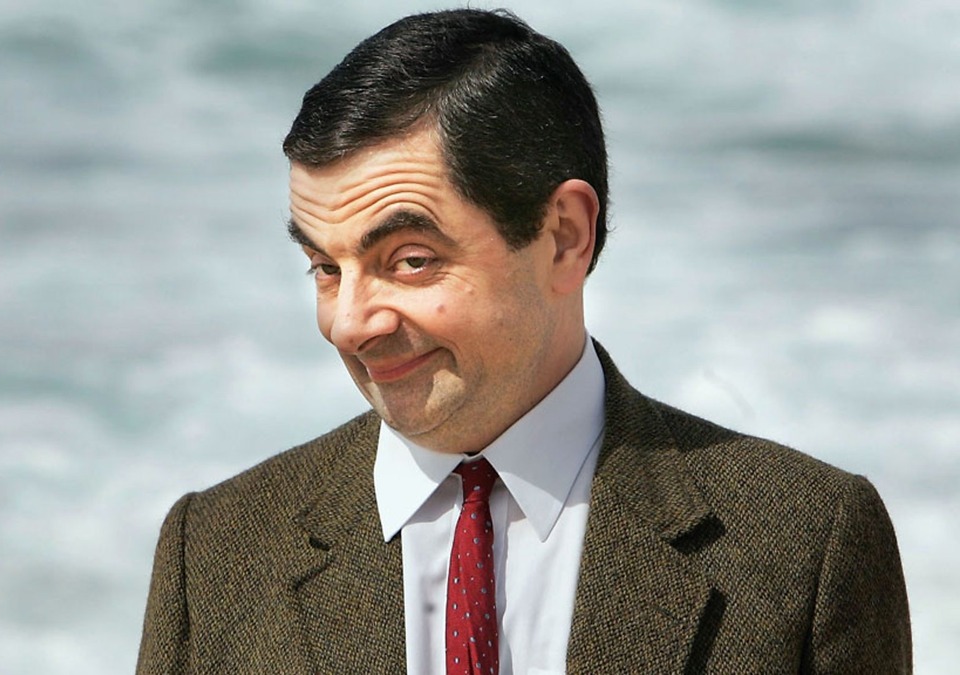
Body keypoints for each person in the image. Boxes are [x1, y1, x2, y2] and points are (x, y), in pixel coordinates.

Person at [136, 9, 911, 673]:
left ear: (564, 237)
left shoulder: (806, 544)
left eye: (409, 260)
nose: (350, 322)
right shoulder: (213, 554)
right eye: (325, 268)